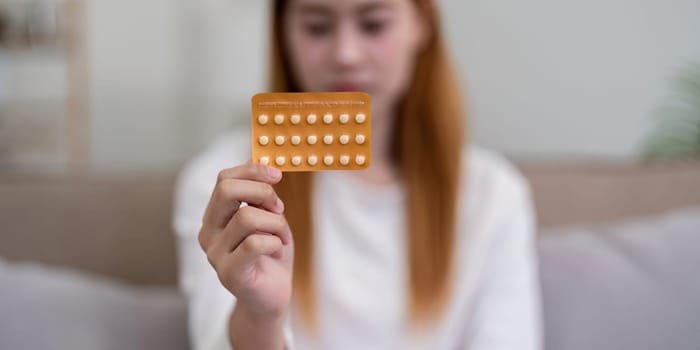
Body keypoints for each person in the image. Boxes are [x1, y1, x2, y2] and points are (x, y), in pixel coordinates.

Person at [173, 0, 541, 349]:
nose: (346, 55)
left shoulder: (494, 195)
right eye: (317, 27)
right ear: (282, 33)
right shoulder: (230, 187)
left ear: (422, 25)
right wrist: (260, 315)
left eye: (373, 25)